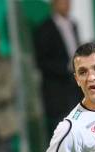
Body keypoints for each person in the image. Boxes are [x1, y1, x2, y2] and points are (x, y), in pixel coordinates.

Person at [34, 0, 82, 137]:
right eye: (62, 1)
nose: (66, 4)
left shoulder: (73, 24)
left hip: (76, 89)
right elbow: (41, 61)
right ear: (53, 4)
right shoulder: (44, 29)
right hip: (57, 94)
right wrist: (67, 67)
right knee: (62, 135)